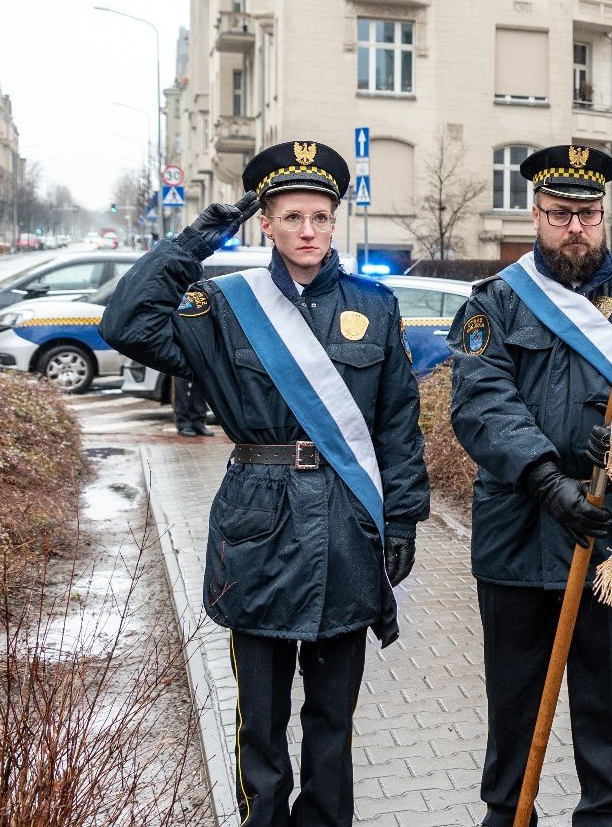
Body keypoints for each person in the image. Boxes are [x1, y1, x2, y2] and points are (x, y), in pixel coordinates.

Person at [100, 140, 430, 827]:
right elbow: (124, 321)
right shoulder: (222, 306)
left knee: (334, 720)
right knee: (261, 721)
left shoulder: (376, 303)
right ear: (267, 225)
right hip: (259, 525)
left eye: (320, 216)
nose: (308, 231)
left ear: (334, 222)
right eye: (292, 217)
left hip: (347, 528)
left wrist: (402, 520)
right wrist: (197, 236)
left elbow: (397, 424)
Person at [449, 145, 612, 827]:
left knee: (609, 694)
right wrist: (547, 477)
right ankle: (507, 811)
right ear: (536, 214)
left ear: (602, 216)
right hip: (520, 531)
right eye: (560, 214)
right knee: (515, 694)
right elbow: (481, 403)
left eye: (588, 214)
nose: (576, 228)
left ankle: (604, 814)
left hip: (611, 531)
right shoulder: (495, 303)